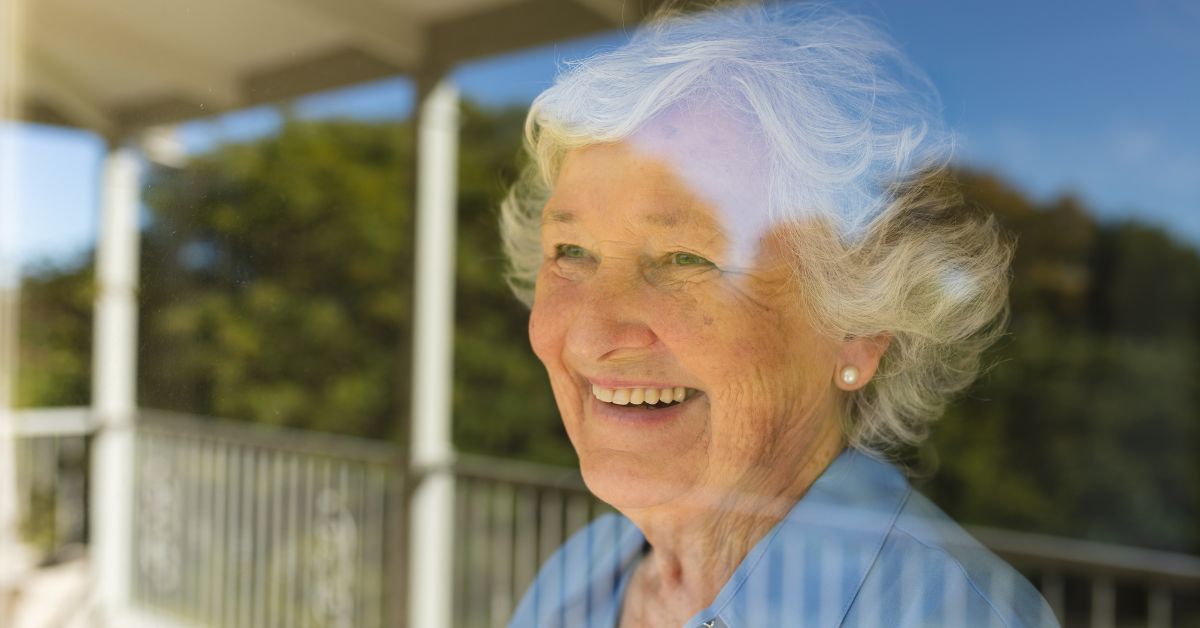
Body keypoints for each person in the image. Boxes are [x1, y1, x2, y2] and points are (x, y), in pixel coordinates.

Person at [500, 3, 1058, 626]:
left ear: (858, 327)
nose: (592, 333)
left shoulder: (949, 615)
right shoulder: (573, 583)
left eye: (686, 258)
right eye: (571, 252)